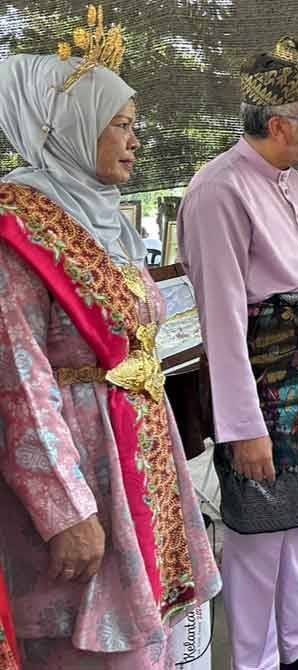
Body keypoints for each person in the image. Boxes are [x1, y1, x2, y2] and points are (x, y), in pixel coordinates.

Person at [0, 12, 220, 668]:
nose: (134, 139)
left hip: (137, 455)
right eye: (119, 123)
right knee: (83, 650)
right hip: (79, 471)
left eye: (133, 123)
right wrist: (64, 510)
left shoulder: (104, 220)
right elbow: (17, 379)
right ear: (64, 127)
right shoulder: (18, 227)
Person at [178, 37, 298, 670]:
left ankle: (297, 643)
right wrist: (242, 427)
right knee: (260, 534)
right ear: (281, 123)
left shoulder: (289, 180)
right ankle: (256, 661)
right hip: (264, 383)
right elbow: (223, 318)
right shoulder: (219, 189)